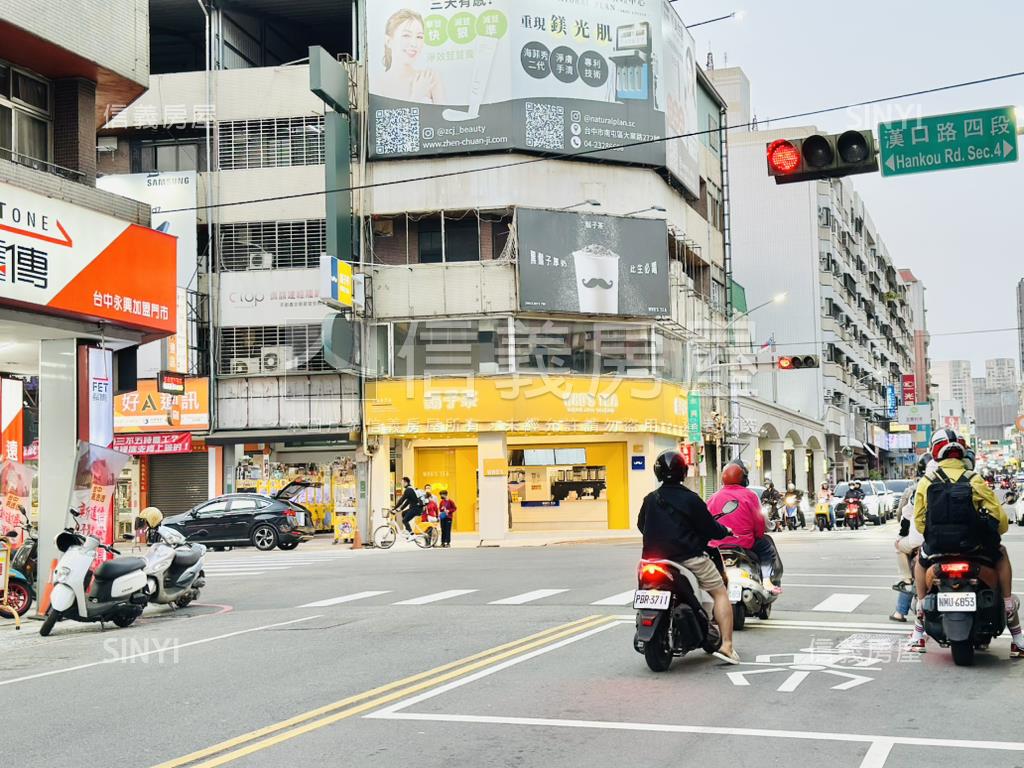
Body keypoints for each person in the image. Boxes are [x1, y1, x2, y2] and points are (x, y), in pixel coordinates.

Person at [906, 429, 1024, 657]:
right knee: (1002, 555)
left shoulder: (927, 481)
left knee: (920, 562)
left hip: (937, 548)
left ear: (936, 453)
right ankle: (1016, 631)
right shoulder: (974, 479)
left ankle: (919, 621)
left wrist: (933, 536)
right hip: (973, 548)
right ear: (963, 454)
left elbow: (919, 521)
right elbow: (1000, 521)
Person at [637, 450, 740, 665]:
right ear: (683, 473)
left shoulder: (650, 499)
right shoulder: (691, 499)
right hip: (688, 559)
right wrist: (725, 531)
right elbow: (710, 528)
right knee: (720, 592)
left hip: (651, 561)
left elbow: (641, 525)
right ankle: (727, 646)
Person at [708, 460, 783, 595]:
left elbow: (705, 522)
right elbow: (759, 523)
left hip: (716, 544)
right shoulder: (750, 495)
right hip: (743, 543)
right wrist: (758, 535)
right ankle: (766, 580)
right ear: (744, 479)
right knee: (766, 549)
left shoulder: (713, 497)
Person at [375, 9, 446, 104]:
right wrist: (416, 96)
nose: (414, 44)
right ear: (388, 41)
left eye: (419, 37)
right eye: (406, 35)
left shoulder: (429, 77)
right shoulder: (378, 84)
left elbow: (443, 117)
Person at [891, 455, 929, 622]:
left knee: (900, 548)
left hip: (923, 541)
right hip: (962, 542)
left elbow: (903, 515)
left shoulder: (916, 489)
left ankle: (901, 610)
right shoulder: (967, 482)